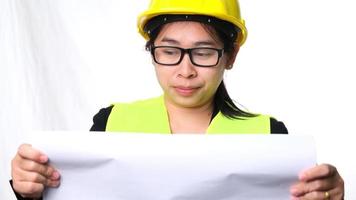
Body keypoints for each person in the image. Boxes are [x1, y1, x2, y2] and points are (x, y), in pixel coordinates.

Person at [10, 0, 344, 199]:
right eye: (169, 51)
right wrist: (33, 190)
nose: (185, 70)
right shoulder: (110, 124)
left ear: (231, 55)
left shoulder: (270, 136)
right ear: (152, 52)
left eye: (203, 52)